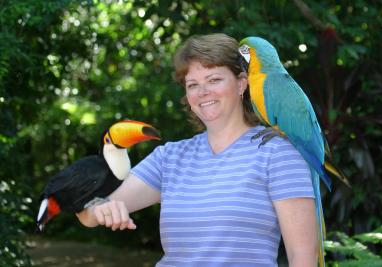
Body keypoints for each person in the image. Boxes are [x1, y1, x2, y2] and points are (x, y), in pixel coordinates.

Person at [77, 33, 318, 266]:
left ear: (241, 84)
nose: (203, 92)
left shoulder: (278, 154)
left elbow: (303, 256)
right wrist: (101, 209)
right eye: (193, 84)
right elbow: (87, 214)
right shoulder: (169, 157)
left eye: (214, 80)